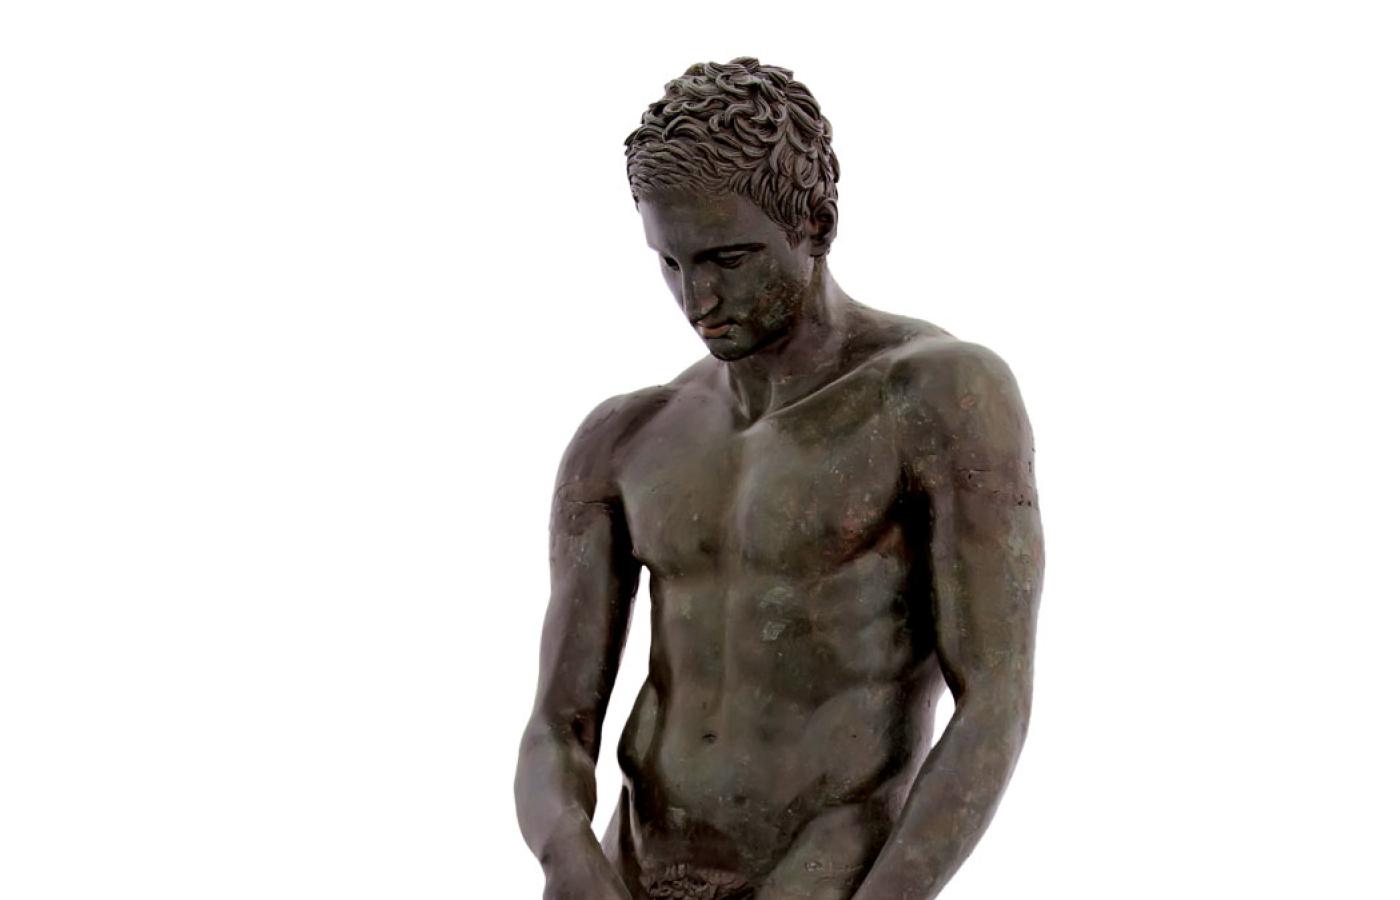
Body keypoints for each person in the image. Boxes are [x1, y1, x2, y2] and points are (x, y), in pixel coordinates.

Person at [515, 57, 1043, 900]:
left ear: (817, 225)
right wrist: (567, 856)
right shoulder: (623, 438)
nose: (699, 299)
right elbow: (557, 723)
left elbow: (994, 701)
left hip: (824, 869)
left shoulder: (935, 395)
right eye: (671, 263)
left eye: (729, 258)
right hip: (635, 863)